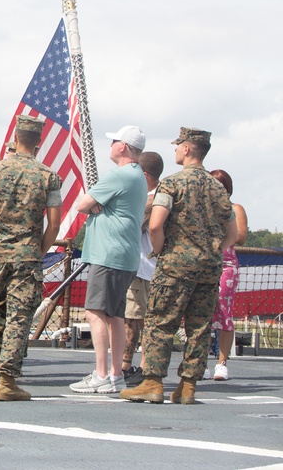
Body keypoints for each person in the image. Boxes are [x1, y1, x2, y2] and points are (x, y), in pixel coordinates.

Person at [121, 127, 238, 405]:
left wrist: (161, 251)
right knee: (199, 328)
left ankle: (152, 382)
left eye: (178, 145)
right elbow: (232, 235)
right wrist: (211, 251)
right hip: (209, 269)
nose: (175, 149)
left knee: (160, 324)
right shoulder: (217, 188)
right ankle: (187, 387)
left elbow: (155, 224)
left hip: (175, 267)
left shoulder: (172, 184)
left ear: (186, 148)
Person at [0, 115, 62, 401]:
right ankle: (7, 382)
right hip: (28, 256)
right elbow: (54, 225)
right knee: (19, 317)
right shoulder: (48, 177)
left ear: (16, 138)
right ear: (39, 143)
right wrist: (38, 251)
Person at [69, 126, 148, 394]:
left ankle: (102, 373)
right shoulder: (137, 176)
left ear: (123, 146)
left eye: (115, 141)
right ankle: (115, 374)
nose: (112, 145)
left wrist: (93, 204)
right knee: (114, 315)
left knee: (95, 312)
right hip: (124, 254)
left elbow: (82, 204)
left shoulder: (119, 175)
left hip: (108, 254)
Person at [121, 151, 164, 387]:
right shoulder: (165, 195)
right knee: (145, 319)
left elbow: (133, 227)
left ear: (144, 173)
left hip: (143, 269)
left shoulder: (150, 199)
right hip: (152, 267)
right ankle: (139, 366)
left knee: (133, 319)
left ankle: (129, 366)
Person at [207, 169, 248, 381]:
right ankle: (199, 360)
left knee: (224, 310)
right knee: (199, 311)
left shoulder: (234, 209)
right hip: (203, 263)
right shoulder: (201, 209)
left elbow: (240, 237)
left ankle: (222, 362)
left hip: (225, 264)